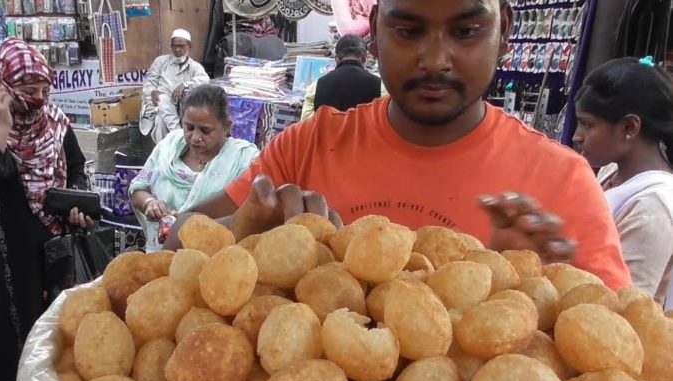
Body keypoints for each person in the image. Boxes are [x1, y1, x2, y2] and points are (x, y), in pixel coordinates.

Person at [174, 0, 631, 290]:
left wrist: (537, 288)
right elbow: (179, 236)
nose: (435, 60)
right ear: (374, 32)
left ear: (504, 30)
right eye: (408, 31)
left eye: (466, 31)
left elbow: (625, 368)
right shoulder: (308, 146)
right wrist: (245, 229)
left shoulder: (563, 181)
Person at [0, 37, 94, 381]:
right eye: (28, 90)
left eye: (44, 89)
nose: (38, 98)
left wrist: (77, 201)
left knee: (57, 331)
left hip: (54, 248)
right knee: (15, 334)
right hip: (5, 253)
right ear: (3, 85)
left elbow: (77, 166)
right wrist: (1, 130)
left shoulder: (53, 120)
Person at [574, 57, 673, 309]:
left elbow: (626, 305)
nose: (577, 136)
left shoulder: (653, 208)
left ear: (629, 127)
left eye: (587, 124)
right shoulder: (610, 172)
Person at [130, 85, 260, 251]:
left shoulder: (244, 158)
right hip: (158, 257)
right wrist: (150, 203)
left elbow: (250, 214)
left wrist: (193, 224)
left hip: (213, 259)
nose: (196, 137)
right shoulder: (168, 146)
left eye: (206, 131)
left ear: (227, 126)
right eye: (189, 127)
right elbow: (138, 188)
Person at [140, 29, 211, 144]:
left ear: (189, 46)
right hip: (159, 106)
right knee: (161, 104)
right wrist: (152, 91)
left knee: (161, 120)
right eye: (175, 46)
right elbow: (149, 83)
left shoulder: (194, 66)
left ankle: (172, 145)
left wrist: (184, 85)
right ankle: (178, 135)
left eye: (181, 46)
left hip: (183, 110)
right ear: (170, 46)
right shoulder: (160, 62)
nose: (177, 50)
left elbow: (205, 80)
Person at [301, 35, 383, 120]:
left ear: (336, 59)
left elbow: (306, 123)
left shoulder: (316, 87)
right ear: (364, 58)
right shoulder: (380, 86)